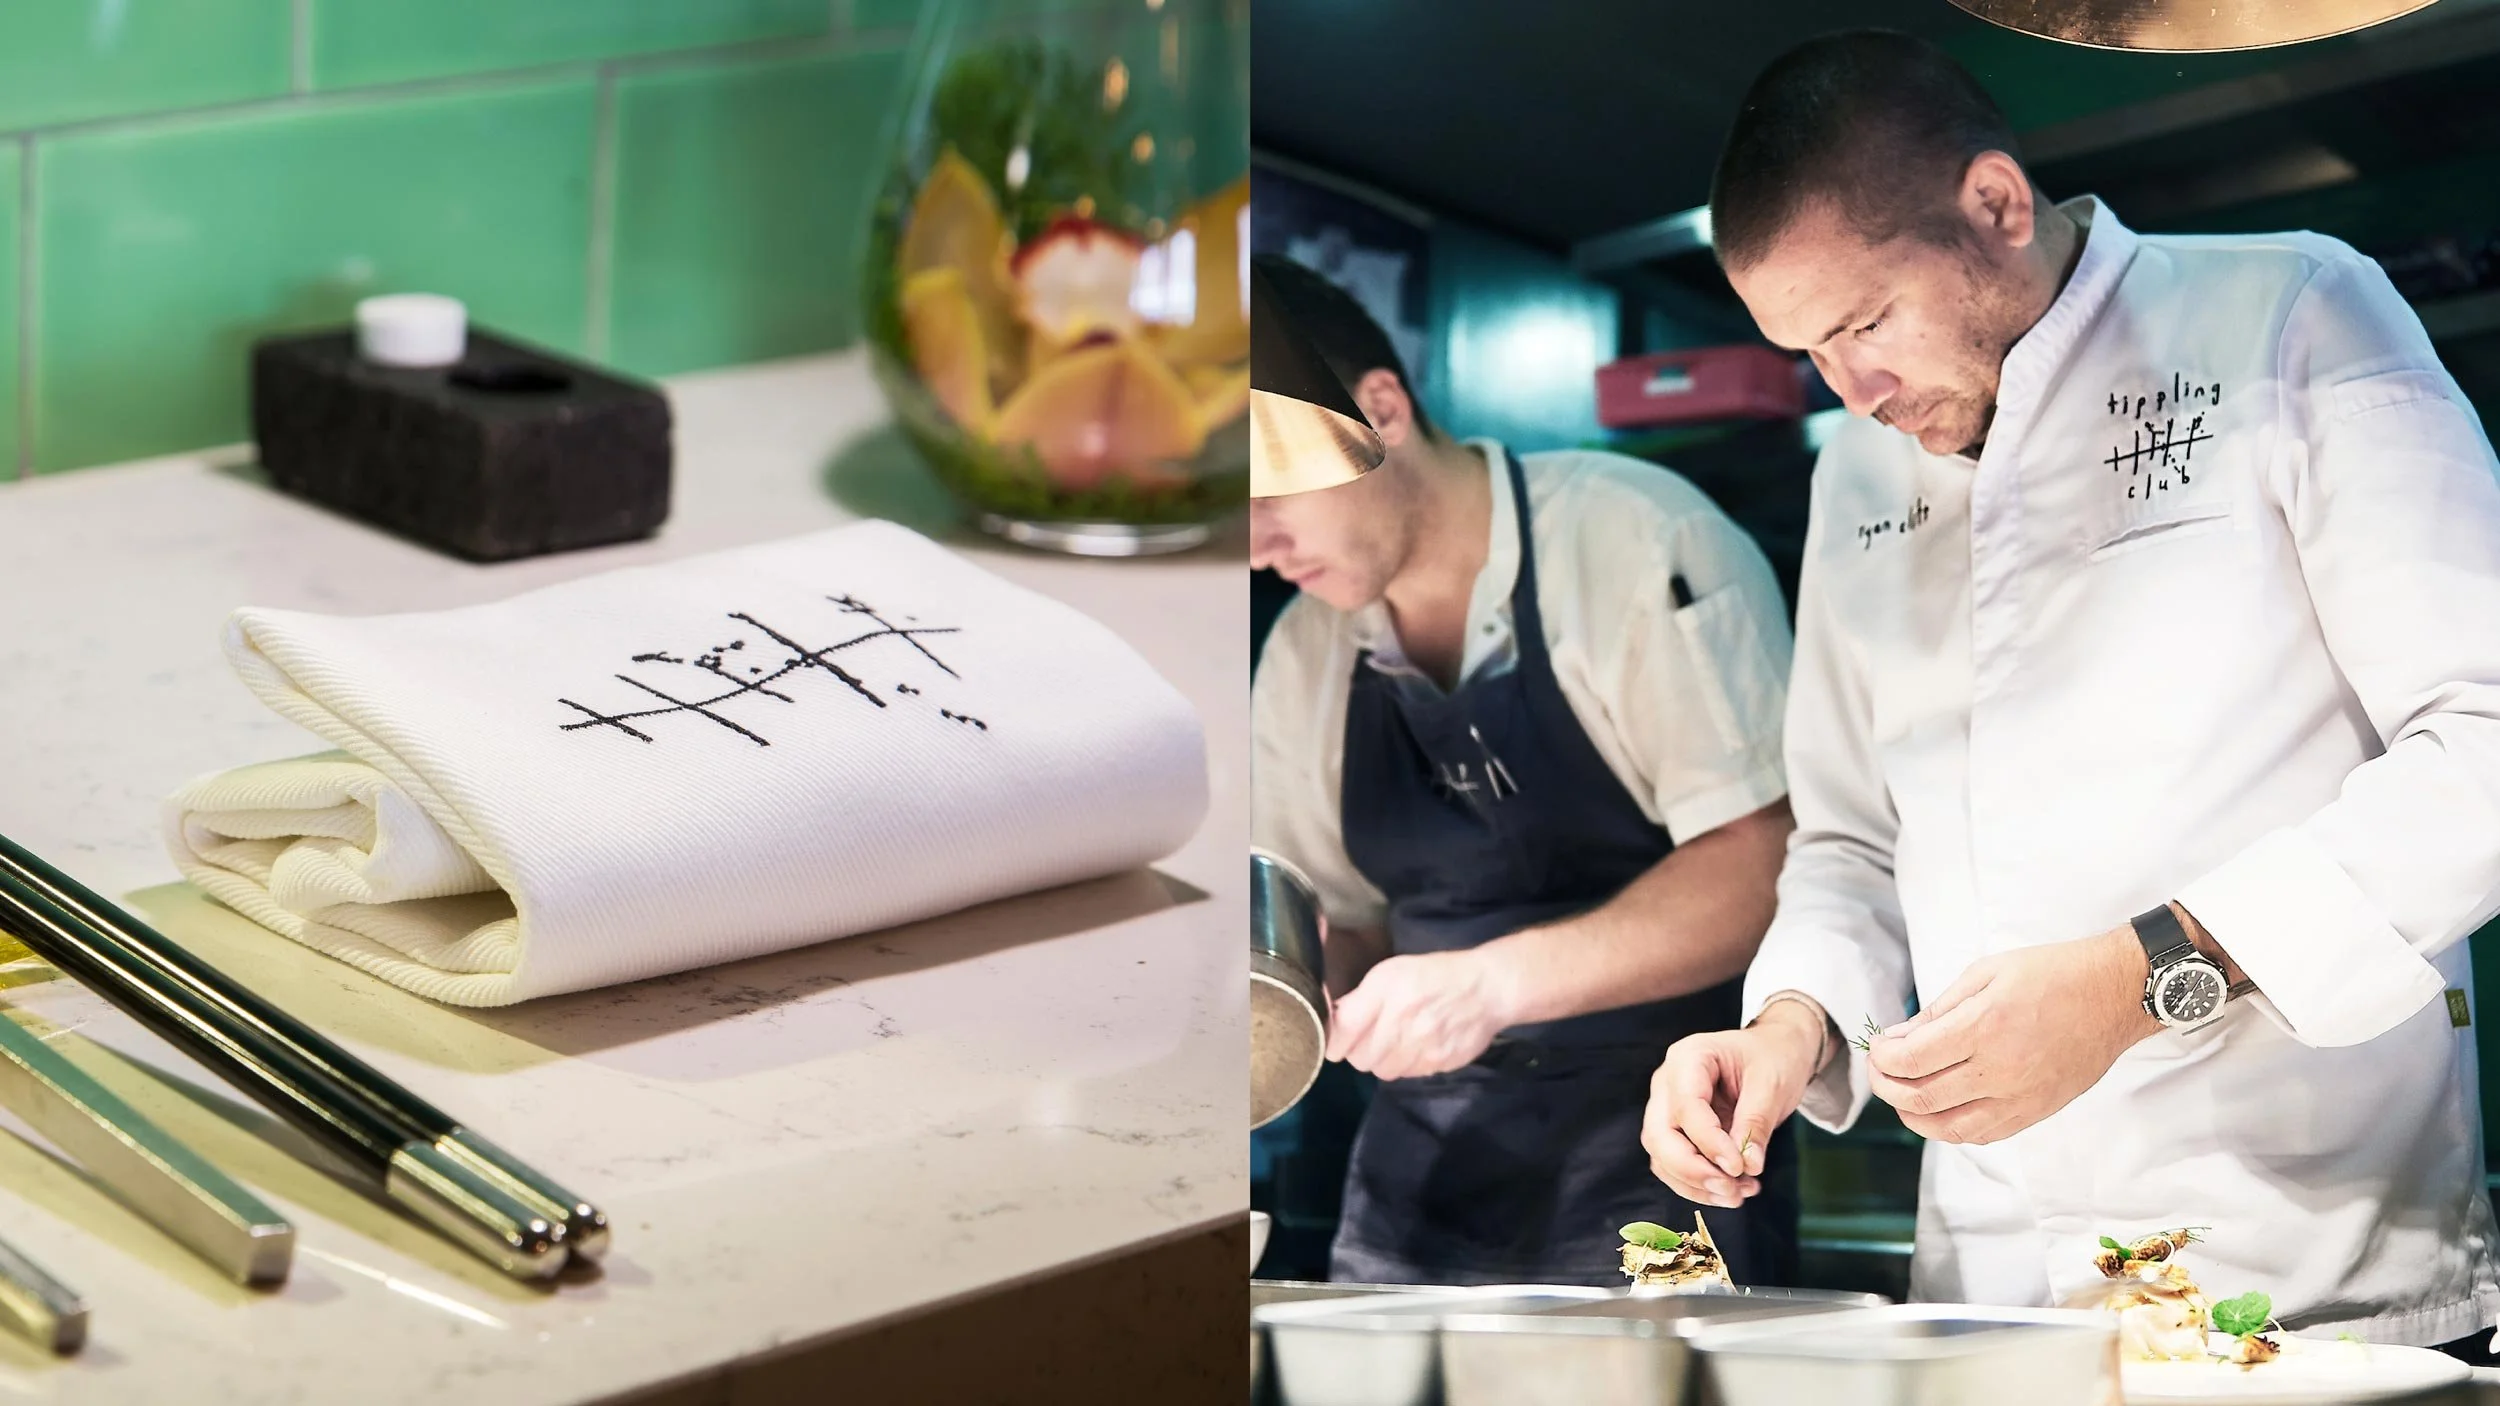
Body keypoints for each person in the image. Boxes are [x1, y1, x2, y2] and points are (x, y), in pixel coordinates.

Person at [1641, 29, 2500, 1350]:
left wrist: (2132, 980)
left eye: (1865, 322)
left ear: (1995, 203)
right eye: (1808, 350)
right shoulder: (1858, 472)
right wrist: (1791, 1024)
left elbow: (2480, 746)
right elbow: (1851, 840)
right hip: (1991, 1286)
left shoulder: (2290, 313)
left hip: (2307, 1271)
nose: (1853, 392)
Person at [1249, 255, 1800, 1286]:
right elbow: (1345, 925)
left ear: (1381, 409)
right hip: (1415, 1189)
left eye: (1266, 487)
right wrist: (1290, 986)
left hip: (1666, 1156)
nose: (1252, 544)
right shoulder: (1301, 651)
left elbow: (1763, 863)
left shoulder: (1639, 539)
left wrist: (1493, 982)